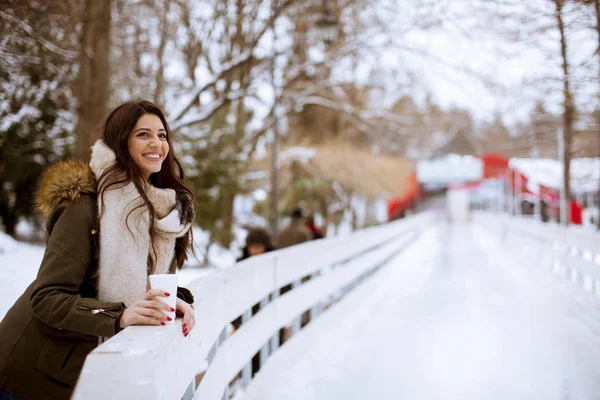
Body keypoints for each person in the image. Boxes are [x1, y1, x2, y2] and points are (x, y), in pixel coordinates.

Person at [0, 101, 197, 400]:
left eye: (162, 135)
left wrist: (171, 301)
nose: (157, 143)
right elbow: (47, 297)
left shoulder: (161, 213)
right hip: (33, 374)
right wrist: (118, 316)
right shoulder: (85, 205)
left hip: (87, 374)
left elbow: (128, 284)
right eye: (143, 134)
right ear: (121, 142)